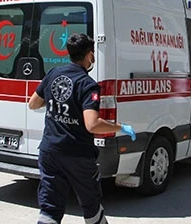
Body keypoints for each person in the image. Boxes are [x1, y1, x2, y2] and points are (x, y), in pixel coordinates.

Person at [28, 33, 137, 224]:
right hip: (76, 155)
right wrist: (120, 127)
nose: (93, 56)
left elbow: (33, 104)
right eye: (93, 52)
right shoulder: (87, 85)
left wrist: (59, 104)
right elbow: (92, 124)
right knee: (91, 207)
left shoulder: (53, 73)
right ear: (88, 55)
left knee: (50, 208)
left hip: (50, 151)